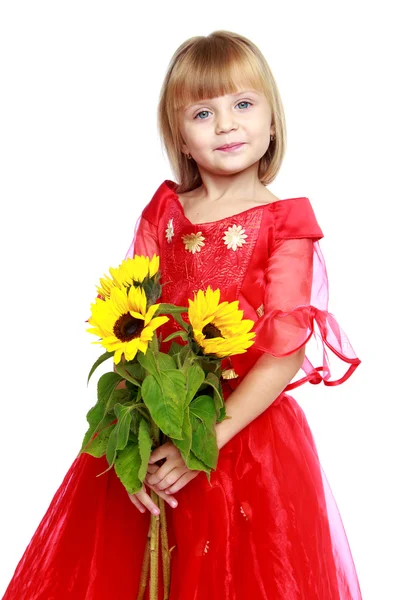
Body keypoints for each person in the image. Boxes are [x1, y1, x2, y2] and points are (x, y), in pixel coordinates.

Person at [2, 30, 363, 600]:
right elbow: (137, 319)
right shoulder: (166, 210)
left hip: (240, 440)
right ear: (181, 138)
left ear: (272, 123)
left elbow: (285, 349)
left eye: (243, 105)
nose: (226, 124)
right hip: (158, 421)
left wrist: (206, 443)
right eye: (203, 112)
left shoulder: (285, 223)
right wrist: (132, 446)